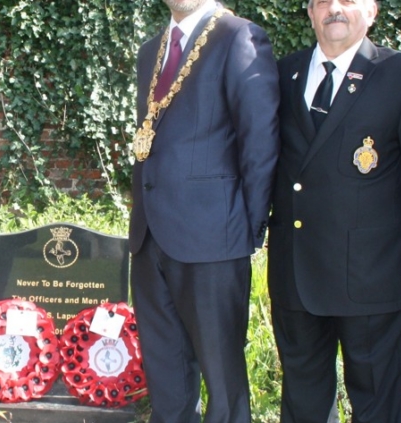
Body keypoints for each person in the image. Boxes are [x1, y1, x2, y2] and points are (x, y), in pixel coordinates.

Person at [267, 0, 401, 421]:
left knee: (379, 402)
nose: (335, 9)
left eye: (348, 1)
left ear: (373, 12)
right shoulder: (282, 73)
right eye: (323, 2)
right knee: (303, 403)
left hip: (372, 275)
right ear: (310, 13)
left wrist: (366, 225)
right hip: (297, 271)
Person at [128, 0, 279, 421]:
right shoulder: (150, 51)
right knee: (166, 379)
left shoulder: (238, 37)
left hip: (215, 239)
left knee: (223, 384)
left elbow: (260, 141)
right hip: (149, 235)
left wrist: (246, 230)